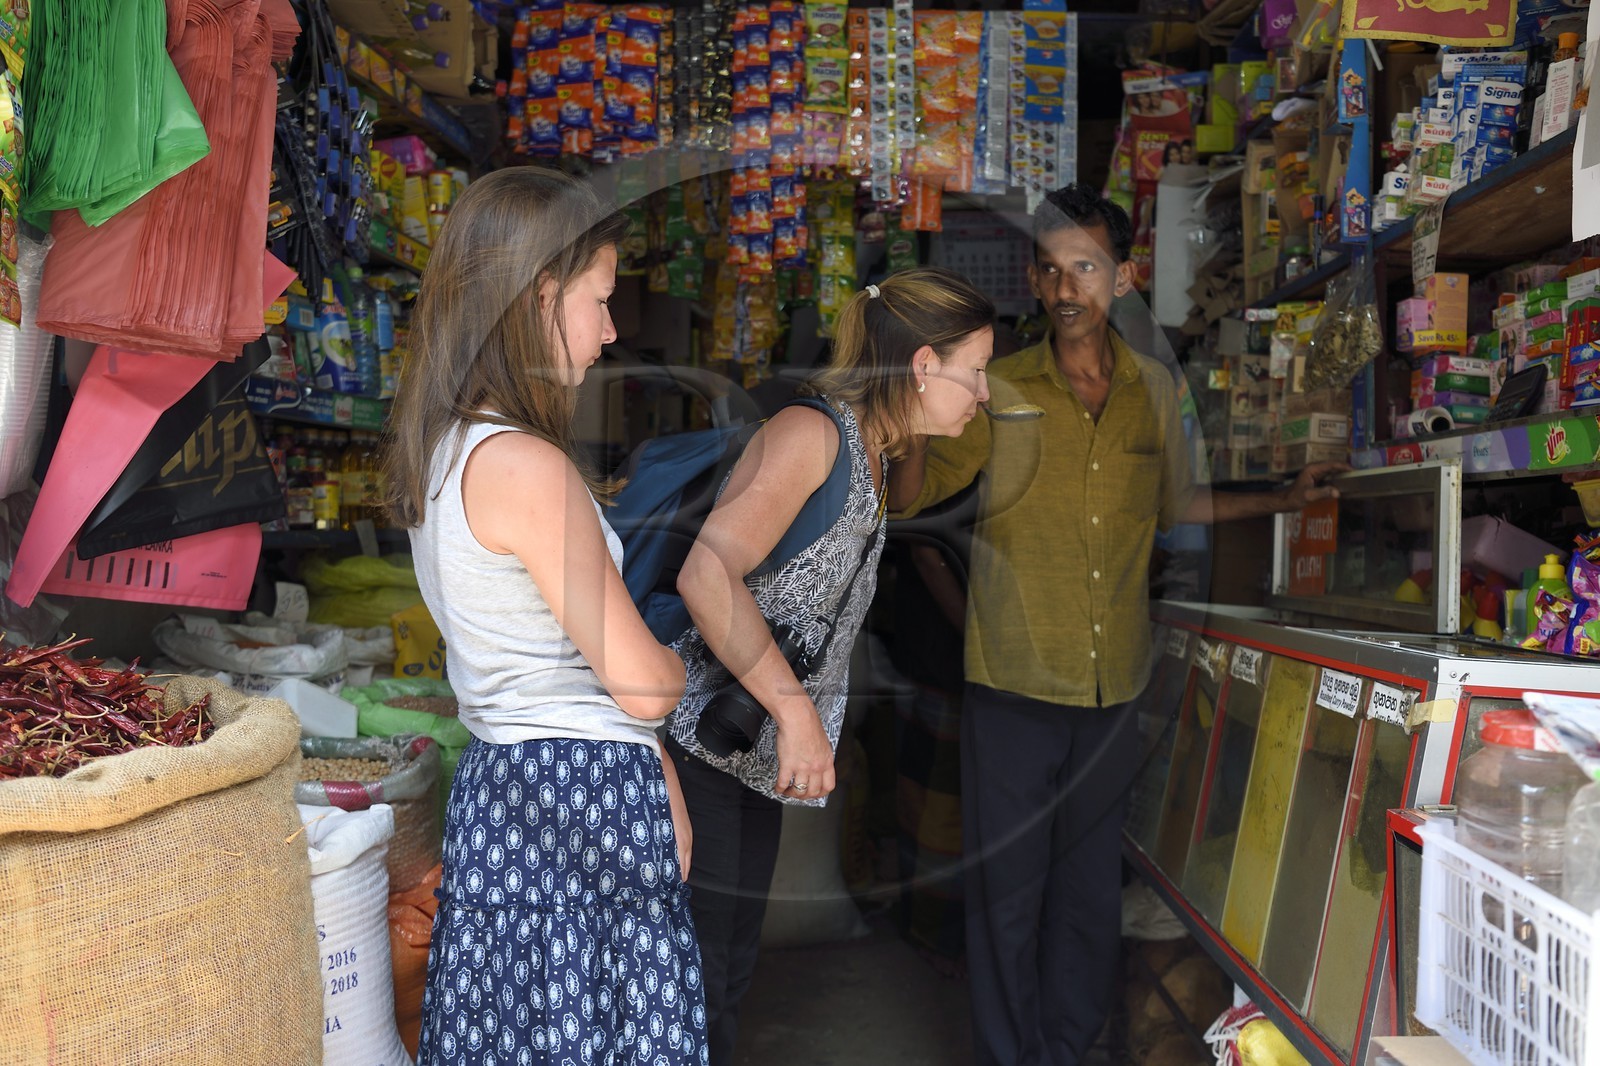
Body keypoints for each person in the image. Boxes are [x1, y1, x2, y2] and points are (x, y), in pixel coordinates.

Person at [889, 183, 1346, 1066]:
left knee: (1089, 894)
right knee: (1008, 897)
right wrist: (907, 412)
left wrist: (1280, 498)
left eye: (1087, 269)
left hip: (1112, 686)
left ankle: (1065, 1050)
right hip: (1014, 686)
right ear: (1034, 277)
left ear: (1122, 276)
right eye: (1053, 270)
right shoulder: (1000, 390)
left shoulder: (1153, 390)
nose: (1067, 290)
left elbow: (1177, 503)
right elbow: (917, 498)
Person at [385, 167, 706, 1066]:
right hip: (580, 803)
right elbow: (641, 686)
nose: (610, 332)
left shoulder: (449, 447)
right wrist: (681, 668)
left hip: (510, 794)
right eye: (600, 301)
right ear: (537, 297)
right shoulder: (525, 466)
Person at [665, 267, 996, 1065]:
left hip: (750, 751)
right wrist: (797, 712)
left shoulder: (879, 453)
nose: (983, 392)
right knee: (695, 977)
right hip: (701, 742)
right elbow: (706, 574)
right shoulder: (810, 435)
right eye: (976, 368)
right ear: (923, 365)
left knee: (731, 967)